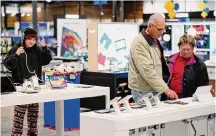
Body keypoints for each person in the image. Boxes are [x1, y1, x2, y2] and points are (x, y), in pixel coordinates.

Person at [4, 27, 52, 136]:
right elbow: (8, 65)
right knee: (19, 117)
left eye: (34, 39)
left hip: (35, 87)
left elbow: (46, 60)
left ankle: (32, 133)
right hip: (21, 87)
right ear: (24, 38)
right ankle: (16, 134)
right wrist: (16, 55)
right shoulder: (16, 48)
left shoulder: (37, 49)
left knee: (33, 115)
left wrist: (45, 48)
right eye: (29, 39)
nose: (32, 41)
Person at [129, 13, 178, 105]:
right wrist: (166, 89)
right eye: (159, 29)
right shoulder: (139, 43)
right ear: (150, 26)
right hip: (143, 91)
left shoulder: (154, 40)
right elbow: (147, 71)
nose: (162, 32)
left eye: (164, 29)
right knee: (146, 119)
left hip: (154, 89)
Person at [167, 34, 209, 98]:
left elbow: (203, 87)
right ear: (179, 48)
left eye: (188, 49)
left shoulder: (199, 64)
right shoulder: (170, 60)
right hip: (169, 98)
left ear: (193, 49)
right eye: (183, 49)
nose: (186, 52)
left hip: (189, 99)